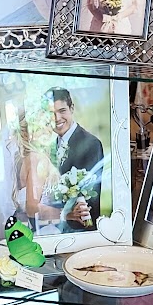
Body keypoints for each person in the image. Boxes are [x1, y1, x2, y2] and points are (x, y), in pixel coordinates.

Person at [36, 88, 104, 229]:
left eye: (62, 111)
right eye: (51, 113)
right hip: (54, 226)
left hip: (78, 228)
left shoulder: (91, 144)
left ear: (71, 108)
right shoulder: (50, 146)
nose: (57, 118)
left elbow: (91, 195)